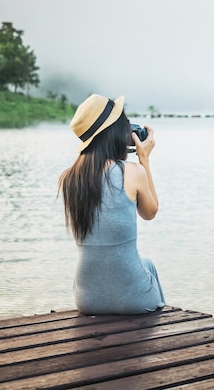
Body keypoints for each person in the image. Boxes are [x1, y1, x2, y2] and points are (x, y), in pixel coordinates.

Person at [59, 94, 165, 315]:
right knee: (149, 265)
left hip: (87, 300)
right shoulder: (132, 172)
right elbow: (150, 212)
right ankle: (156, 330)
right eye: (124, 123)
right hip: (134, 299)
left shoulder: (70, 179)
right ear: (114, 132)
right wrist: (144, 159)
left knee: (141, 263)